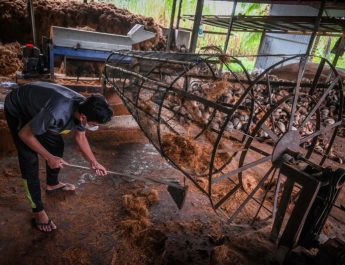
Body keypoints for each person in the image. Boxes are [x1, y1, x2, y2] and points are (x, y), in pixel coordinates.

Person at [4, 81, 113, 232]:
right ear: (83, 117)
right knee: (29, 159)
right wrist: (49, 157)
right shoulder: (56, 112)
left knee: (56, 145)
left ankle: (52, 184)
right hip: (19, 107)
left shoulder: (84, 106)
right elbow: (25, 134)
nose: (96, 127)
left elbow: (80, 136)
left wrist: (94, 162)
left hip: (41, 109)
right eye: (95, 124)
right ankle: (38, 211)